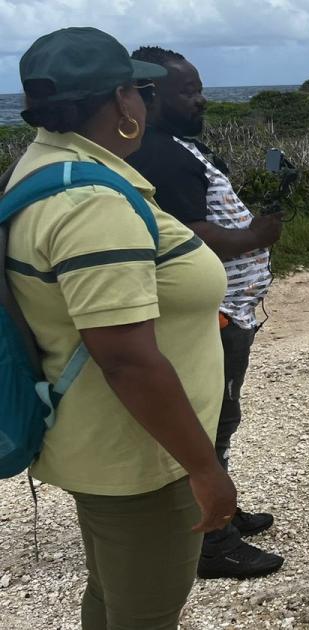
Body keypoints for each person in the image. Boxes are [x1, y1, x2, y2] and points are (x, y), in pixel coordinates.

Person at [6, 27, 236, 627]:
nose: (143, 101)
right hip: (141, 457)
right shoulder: (92, 206)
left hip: (106, 439)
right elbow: (126, 360)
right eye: (139, 90)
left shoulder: (47, 168)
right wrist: (205, 469)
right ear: (121, 104)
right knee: (146, 613)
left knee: (113, 598)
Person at [126, 45, 286, 580]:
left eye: (199, 89)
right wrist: (257, 235)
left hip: (228, 310)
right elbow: (194, 237)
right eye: (187, 92)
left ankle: (222, 509)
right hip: (212, 316)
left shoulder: (171, 146)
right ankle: (212, 540)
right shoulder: (160, 154)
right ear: (149, 96)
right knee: (210, 420)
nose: (201, 101)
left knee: (223, 416)